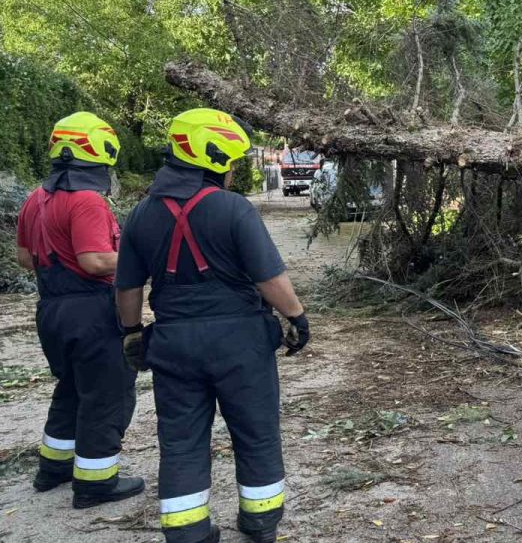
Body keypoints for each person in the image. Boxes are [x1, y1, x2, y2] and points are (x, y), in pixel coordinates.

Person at [115, 108, 311, 543]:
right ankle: (260, 522)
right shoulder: (233, 208)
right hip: (241, 344)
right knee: (256, 430)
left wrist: (132, 333)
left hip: (173, 343)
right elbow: (269, 279)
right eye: (232, 160)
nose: (234, 169)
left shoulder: (141, 213)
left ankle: (187, 531)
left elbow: (126, 286)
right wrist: (297, 317)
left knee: (181, 438)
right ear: (214, 156)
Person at [15, 112, 143, 506]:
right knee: (106, 395)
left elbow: (25, 258)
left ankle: (53, 468)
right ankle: (95, 483)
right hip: (91, 311)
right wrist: (141, 260)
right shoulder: (87, 199)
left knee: (71, 388)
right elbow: (94, 260)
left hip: (51, 310)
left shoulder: (36, 198)